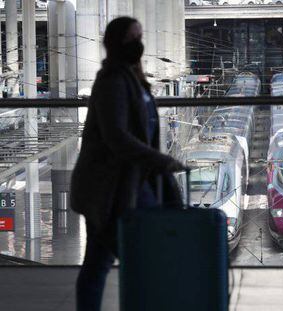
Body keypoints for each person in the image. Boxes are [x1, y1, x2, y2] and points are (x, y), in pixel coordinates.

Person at [70, 17, 184, 311]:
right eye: (132, 38)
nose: (139, 43)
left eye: (140, 36)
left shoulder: (133, 79)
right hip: (108, 187)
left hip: (129, 182)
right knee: (133, 259)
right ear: (116, 42)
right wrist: (161, 161)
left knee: (101, 260)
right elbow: (116, 136)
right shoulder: (112, 81)